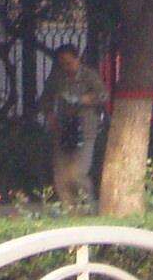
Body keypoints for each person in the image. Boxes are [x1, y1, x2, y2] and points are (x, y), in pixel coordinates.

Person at [41, 44, 108, 208]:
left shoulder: (89, 76)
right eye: (62, 63)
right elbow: (45, 99)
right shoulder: (57, 77)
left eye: (69, 63)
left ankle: (87, 205)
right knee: (62, 176)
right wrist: (50, 116)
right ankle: (69, 211)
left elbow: (103, 95)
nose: (67, 67)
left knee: (77, 173)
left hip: (85, 129)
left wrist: (82, 99)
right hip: (63, 129)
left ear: (77, 59)